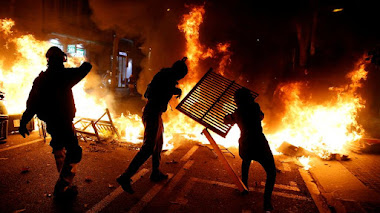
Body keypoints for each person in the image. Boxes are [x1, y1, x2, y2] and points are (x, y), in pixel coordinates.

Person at [19, 46, 92, 198]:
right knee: (75, 152)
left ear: (48, 60)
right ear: (62, 59)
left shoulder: (41, 79)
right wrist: (86, 60)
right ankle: (63, 184)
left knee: (59, 149)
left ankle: (66, 186)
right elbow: (86, 68)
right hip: (64, 122)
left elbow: (31, 103)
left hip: (51, 122)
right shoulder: (64, 75)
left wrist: (23, 121)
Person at [117, 57, 188, 194]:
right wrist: (175, 90)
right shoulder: (167, 77)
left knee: (158, 144)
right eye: (181, 75)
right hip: (152, 113)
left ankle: (155, 172)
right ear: (178, 72)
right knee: (149, 147)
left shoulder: (165, 75)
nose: (181, 78)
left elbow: (163, 87)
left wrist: (175, 90)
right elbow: (160, 90)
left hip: (155, 114)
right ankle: (125, 176)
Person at [224, 88, 276, 212]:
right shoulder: (255, 107)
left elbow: (227, 120)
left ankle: (244, 186)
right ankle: (267, 202)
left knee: (246, 160)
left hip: (245, 145)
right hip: (259, 145)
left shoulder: (238, 113)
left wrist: (229, 117)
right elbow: (261, 116)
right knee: (271, 172)